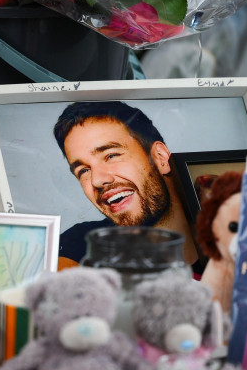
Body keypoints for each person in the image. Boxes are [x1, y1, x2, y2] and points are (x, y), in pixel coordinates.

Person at [53, 101, 197, 264]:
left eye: (111, 156)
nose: (97, 180)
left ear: (160, 157)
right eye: (84, 171)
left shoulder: (225, 228)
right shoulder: (82, 243)